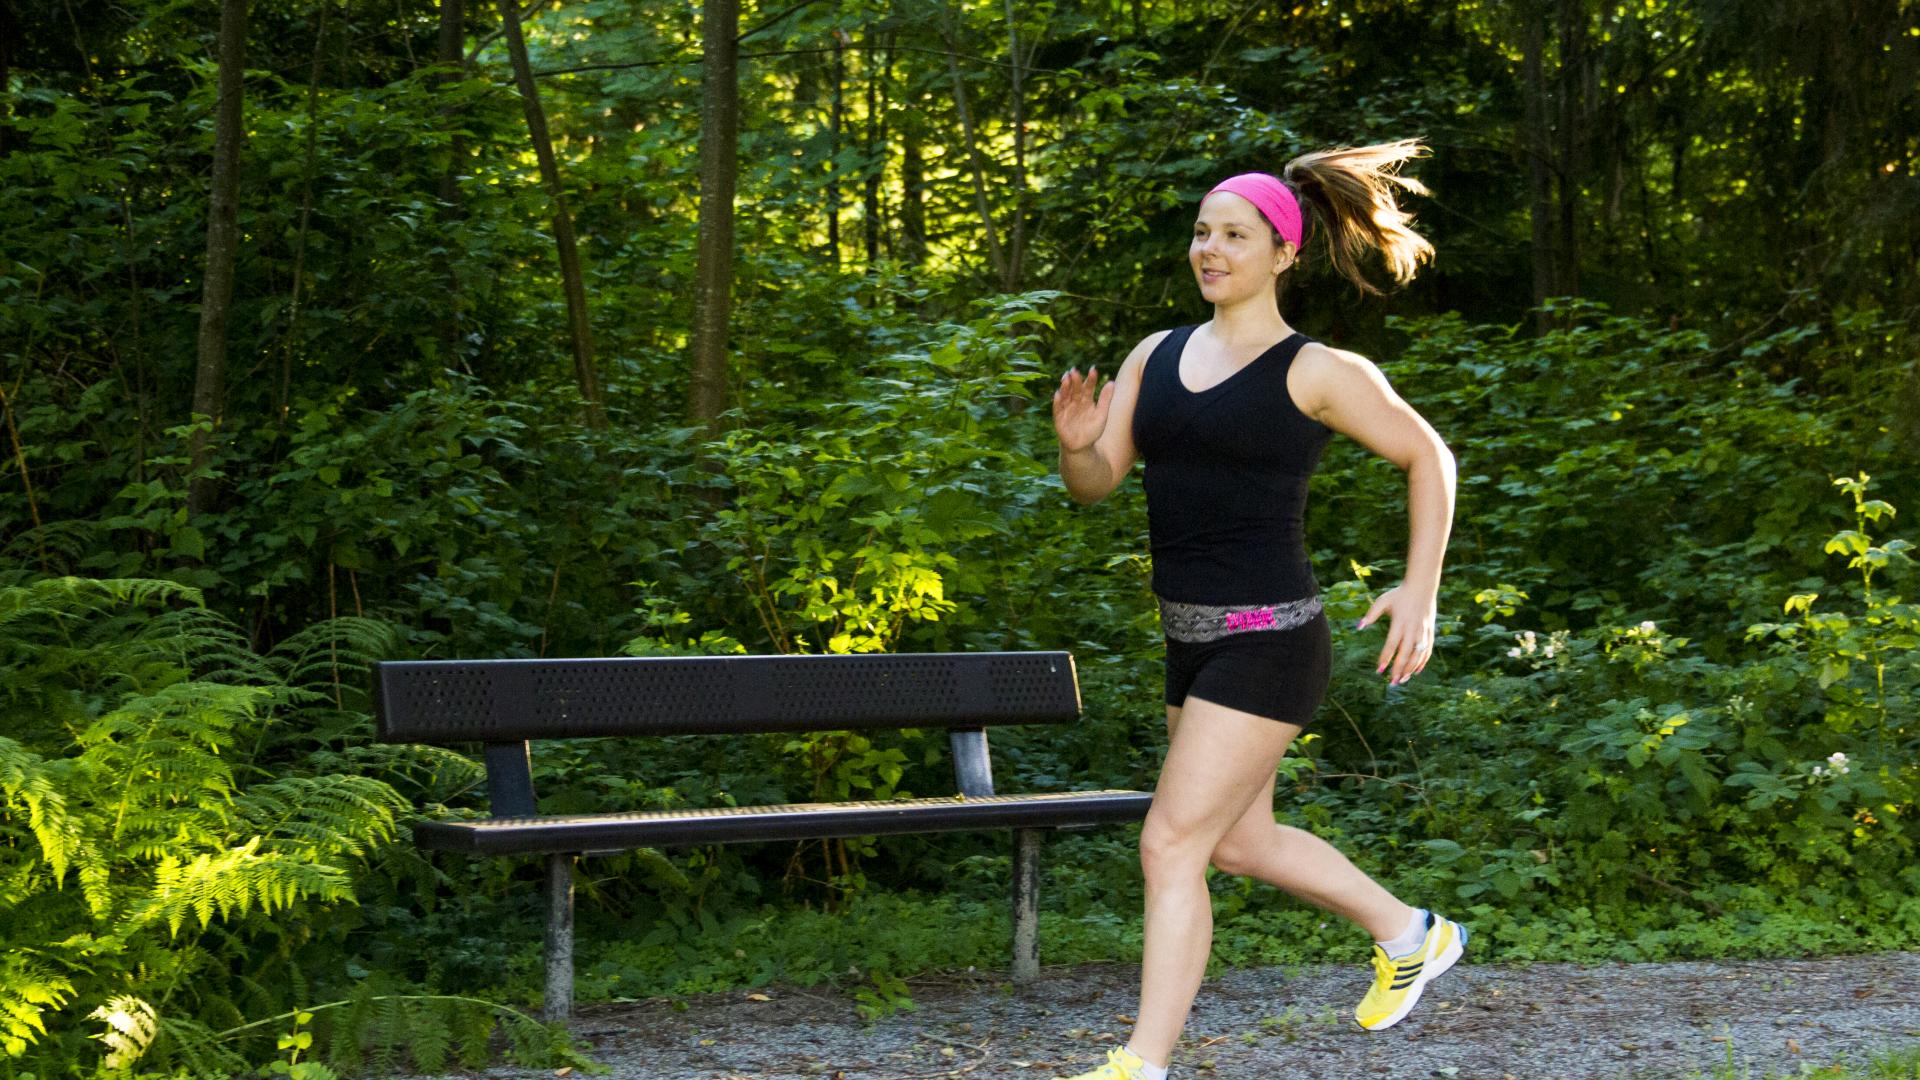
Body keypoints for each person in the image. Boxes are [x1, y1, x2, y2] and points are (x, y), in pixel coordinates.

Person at [1048, 139, 1464, 1080]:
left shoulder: (1314, 372)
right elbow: (1097, 483)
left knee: (1171, 840)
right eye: (1202, 231)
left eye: (1235, 234)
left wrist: (1420, 588)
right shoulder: (1153, 355)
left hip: (1270, 642)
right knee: (1239, 842)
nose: (1211, 248)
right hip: (1189, 643)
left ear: (1282, 253)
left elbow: (1428, 456)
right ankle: (1412, 932)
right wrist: (1078, 446)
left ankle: (1141, 1063)